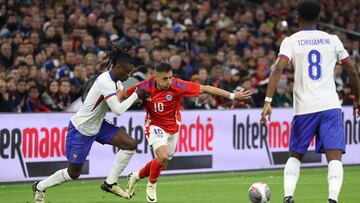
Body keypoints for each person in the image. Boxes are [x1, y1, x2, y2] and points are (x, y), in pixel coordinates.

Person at [260, 1, 360, 203]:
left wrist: (268, 101)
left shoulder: (292, 41)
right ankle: (332, 199)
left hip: (304, 108)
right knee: (335, 157)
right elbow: (351, 71)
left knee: (295, 154)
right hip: (330, 106)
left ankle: (288, 197)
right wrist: (358, 98)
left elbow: (278, 68)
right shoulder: (333, 40)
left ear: (298, 19)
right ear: (319, 18)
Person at [120, 62, 251, 202]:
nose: (169, 81)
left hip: (173, 128)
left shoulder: (178, 85)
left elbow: (205, 88)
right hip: (154, 126)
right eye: (165, 78)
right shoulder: (144, 87)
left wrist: (232, 96)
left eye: (170, 77)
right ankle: (151, 185)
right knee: (162, 156)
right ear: (155, 77)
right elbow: (121, 95)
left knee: (162, 162)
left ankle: (135, 176)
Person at [32, 44, 148, 203]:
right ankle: (40, 186)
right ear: (118, 67)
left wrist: (132, 97)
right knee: (74, 173)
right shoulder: (105, 81)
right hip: (82, 128)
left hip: (98, 125)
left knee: (130, 144)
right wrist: (135, 96)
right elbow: (118, 111)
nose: (129, 76)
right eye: (127, 72)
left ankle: (110, 183)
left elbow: (118, 98)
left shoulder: (117, 81)